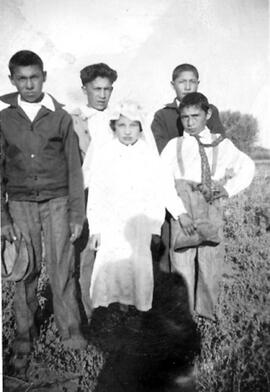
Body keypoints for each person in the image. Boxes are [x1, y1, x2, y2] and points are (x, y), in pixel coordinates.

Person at [0, 50, 87, 373]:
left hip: (58, 202)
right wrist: (2, 218)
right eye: (21, 79)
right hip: (20, 204)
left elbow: (75, 170)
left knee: (62, 268)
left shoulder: (61, 117)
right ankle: (24, 334)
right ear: (12, 80)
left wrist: (77, 214)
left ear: (44, 76)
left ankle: (71, 330)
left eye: (34, 77)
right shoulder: (4, 118)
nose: (28, 84)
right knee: (24, 270)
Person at [83, 100, 187, 313]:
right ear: (114, 127)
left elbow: (163, 188)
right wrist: (95, 229)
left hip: (138, 224)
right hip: (111, 223)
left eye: (133, 126)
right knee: (111, 268)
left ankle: (135, 313)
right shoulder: (105, 153)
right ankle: (111, 311)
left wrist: (179, 213)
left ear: (141, 128)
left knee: (137, 269)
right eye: (122, 126)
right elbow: (96, 194)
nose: (128, 131)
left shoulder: (149, 156)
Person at [161, 92, 255, 320]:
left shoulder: (222, 144)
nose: (190, 122)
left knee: (210, 262)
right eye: (185, 117)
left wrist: (228, 189)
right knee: (181, 263)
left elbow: (248, 166)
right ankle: (184, 315)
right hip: (183, 211)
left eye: (196, 116)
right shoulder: (174, 146)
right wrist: (178, 213)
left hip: (211, 209)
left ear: (208, 114)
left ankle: (207, 311)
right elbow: (160, 181)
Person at [151, 63, 225, 273]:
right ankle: (173, 293)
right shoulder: (163, 115)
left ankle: (201, 297)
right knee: (174, 242)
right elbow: (161, 149)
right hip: (175, 187)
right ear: (173, 84)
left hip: (204, 186)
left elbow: (217, 143)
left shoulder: (210, 110)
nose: (188, 86)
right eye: (182, 81)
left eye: (192, 81)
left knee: (207, 241)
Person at [70, 63, 117, 325]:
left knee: (113, 256)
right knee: (86, 256)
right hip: (86, 197)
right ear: (84, 89)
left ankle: (113, 312)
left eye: (107, 89)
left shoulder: (119, 120)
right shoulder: (72, 119)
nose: (102, 94)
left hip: (115, 198)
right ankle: (90, 316)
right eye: (96, 88)